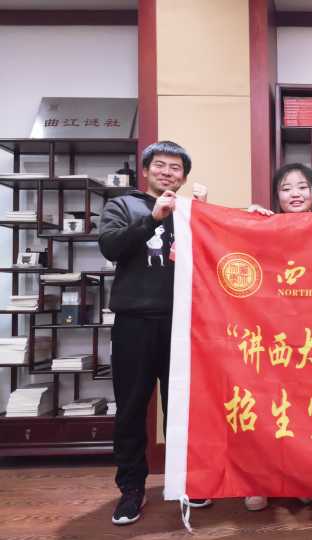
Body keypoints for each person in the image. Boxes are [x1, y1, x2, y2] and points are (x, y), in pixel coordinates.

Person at [99, 141, 212, 525]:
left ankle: (187, 482)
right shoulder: (123, 205)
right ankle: (131, 489)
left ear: (184, 176)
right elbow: (110, 247)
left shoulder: (190, 211)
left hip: (182, 324)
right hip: (134, 322)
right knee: (131, 408)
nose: (167, 172)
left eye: (175, 168)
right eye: (160, 165)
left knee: (182, 407)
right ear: (145, 170)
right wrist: (152, 218)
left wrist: (207, 217)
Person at [243, 163, 312, 512]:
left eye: (302, 187)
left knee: (306, 409)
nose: (295, 194)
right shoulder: (264, 226)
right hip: (270, 331)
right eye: (286, 188)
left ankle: (302, 478)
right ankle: (259, 482)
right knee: (265, 406)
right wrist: (247, 221)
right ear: (276, 195)